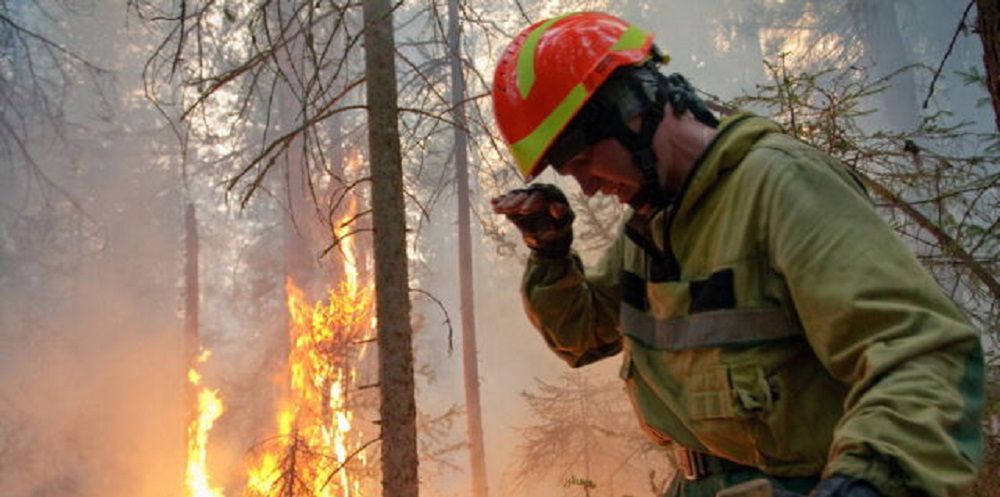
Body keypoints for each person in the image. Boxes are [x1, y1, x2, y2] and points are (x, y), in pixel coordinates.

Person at [489, 12, 984, 497]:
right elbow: (582, 335)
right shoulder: (653, 223)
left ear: (631, 111)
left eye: (583, 160)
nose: (588, 187)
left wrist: (869, 482)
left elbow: (921, 354)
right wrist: (550, 254)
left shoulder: (780, 186)